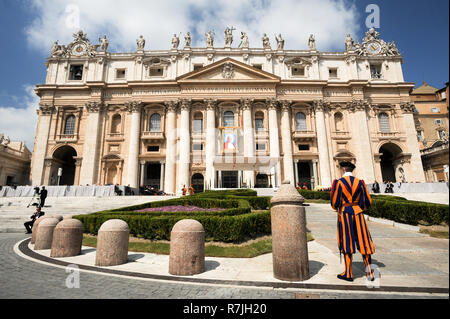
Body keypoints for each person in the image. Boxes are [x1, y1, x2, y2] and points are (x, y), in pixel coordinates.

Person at [330, 161, 376, 282]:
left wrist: (340, 207)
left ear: (344, 169)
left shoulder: (338, 183)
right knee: (364, 240)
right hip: (358, 214)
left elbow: (334, 202)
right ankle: (370, 273)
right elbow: (367, 201)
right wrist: (358, 207)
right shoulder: (360, 182)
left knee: (346, 240)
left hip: (345, 213)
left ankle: (348, 273)